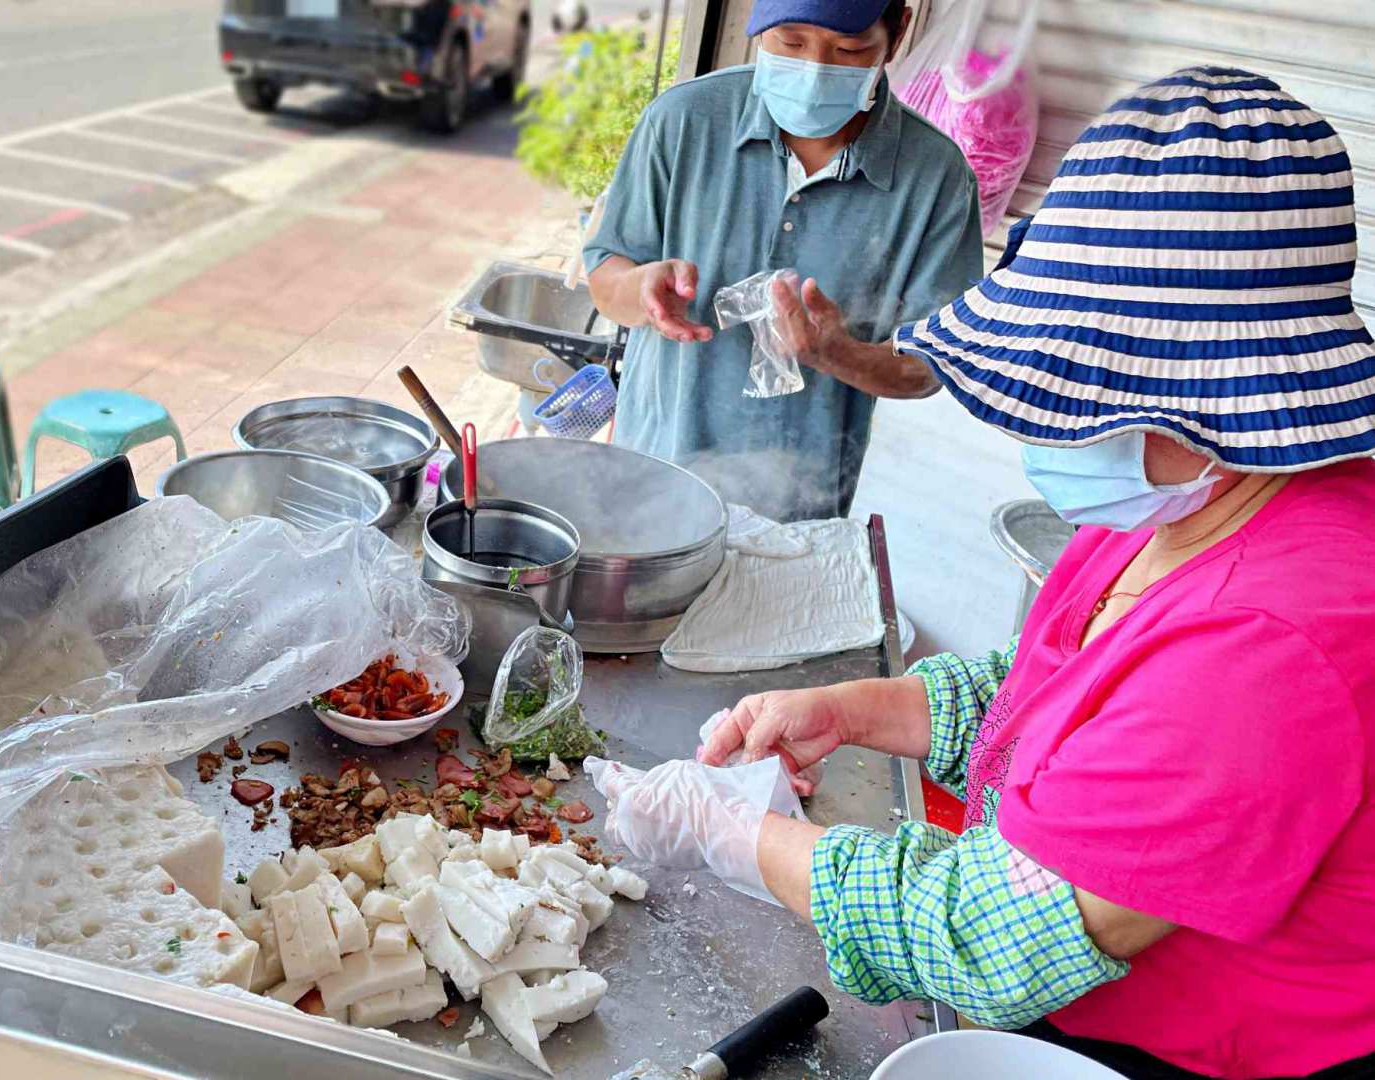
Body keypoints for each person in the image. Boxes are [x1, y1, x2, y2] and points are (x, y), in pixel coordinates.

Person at [585, 67, 1375, 1080]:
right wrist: (856, 708)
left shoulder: (1273, 644)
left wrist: (732, 835)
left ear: (1213, 398)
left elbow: (994, 933)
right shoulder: (1188, 501)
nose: (1049, 422)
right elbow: (1057, 691)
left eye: (1083, 386)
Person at [583, 0, 982, 522]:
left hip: (797, 510)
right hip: (652, 475)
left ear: (898, 32)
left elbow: (933, 367)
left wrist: (839, 354)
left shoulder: (936, 179)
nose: (814, 71)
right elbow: (605, 274)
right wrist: (640, 290)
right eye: (790, 42)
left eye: (849, 49)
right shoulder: (683, 120)